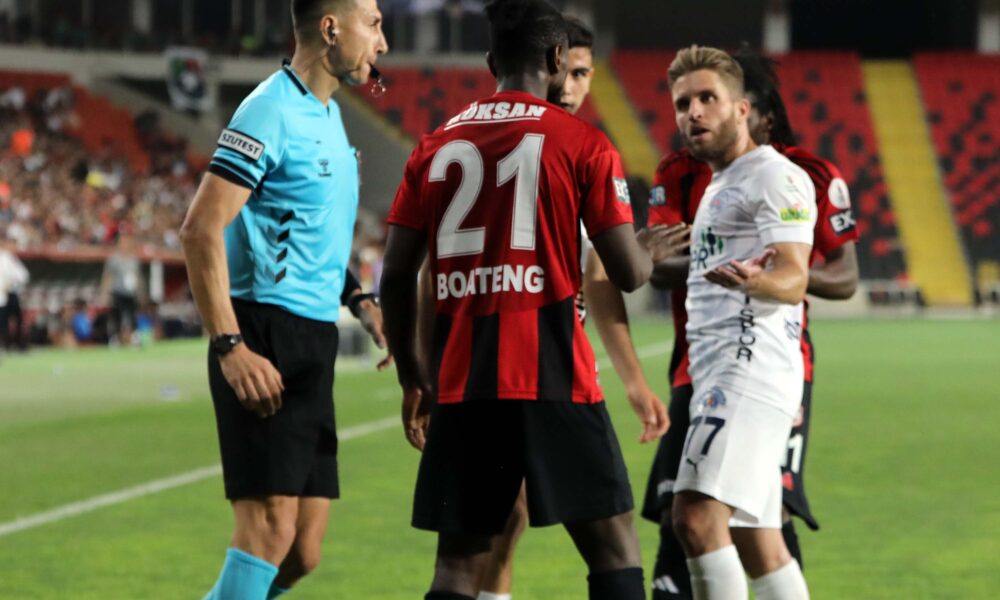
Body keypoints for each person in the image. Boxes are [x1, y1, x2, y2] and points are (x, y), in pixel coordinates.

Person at [380, 1, 672, 598]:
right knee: (614, 549)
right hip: (554, 375)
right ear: (558, 58)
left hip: (463, 385)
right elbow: (627, 273)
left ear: (491, 61)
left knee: (458, 566)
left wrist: (415, 376)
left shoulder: (434, 146)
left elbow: (398, 275)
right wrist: (648, 249)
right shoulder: (584, 143)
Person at [472, 18, 690, 600]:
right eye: (565, 71)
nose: (570, 86)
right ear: (547, 63)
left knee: (501, 522)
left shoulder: (522, 143)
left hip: (487, 369)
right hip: (539, 368)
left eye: (583, 74)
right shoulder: (568, 149)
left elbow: (597, 279)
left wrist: (633, 381)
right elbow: (619, 271)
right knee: (603, 535)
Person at [179, 1, 388, 598]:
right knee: (269, 530)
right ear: (330, 28)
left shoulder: (328, 114)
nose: (382, 43)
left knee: (301, 550)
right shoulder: (268, 110)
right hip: (263, 334)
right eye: (373, 23)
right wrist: (230, 346)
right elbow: (200, 228)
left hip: (314, 341)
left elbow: (307, 231)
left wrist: (360, 299)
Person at [641, 50, 860, 599]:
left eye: (707, 99)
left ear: (742, 109)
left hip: (748, 370)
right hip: (723, 369)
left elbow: (793, 276)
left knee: (694, 517)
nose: (693, 112)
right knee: (757, 538)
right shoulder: (723, 182)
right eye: (683, 103)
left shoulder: (774, 176)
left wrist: (757, 282)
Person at [101, 231, 144, 346]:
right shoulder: (113, 259)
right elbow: (107, 276)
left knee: (132, 315)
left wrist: (140, 292)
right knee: (116, 316)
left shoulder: (134, 260)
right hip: (117, 291)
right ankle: (115, 338)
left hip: (130, 292)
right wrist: (105, 293)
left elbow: (138, 276)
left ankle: (135, 337)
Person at [0, 240, 29, 352]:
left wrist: (11, 283)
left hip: (10, 294)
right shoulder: (5, 258)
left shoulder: (9, 258)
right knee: (3, 320)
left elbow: (23, 276)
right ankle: (6, 344)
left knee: (15, 319)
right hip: (3, 295)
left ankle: (16, 343)